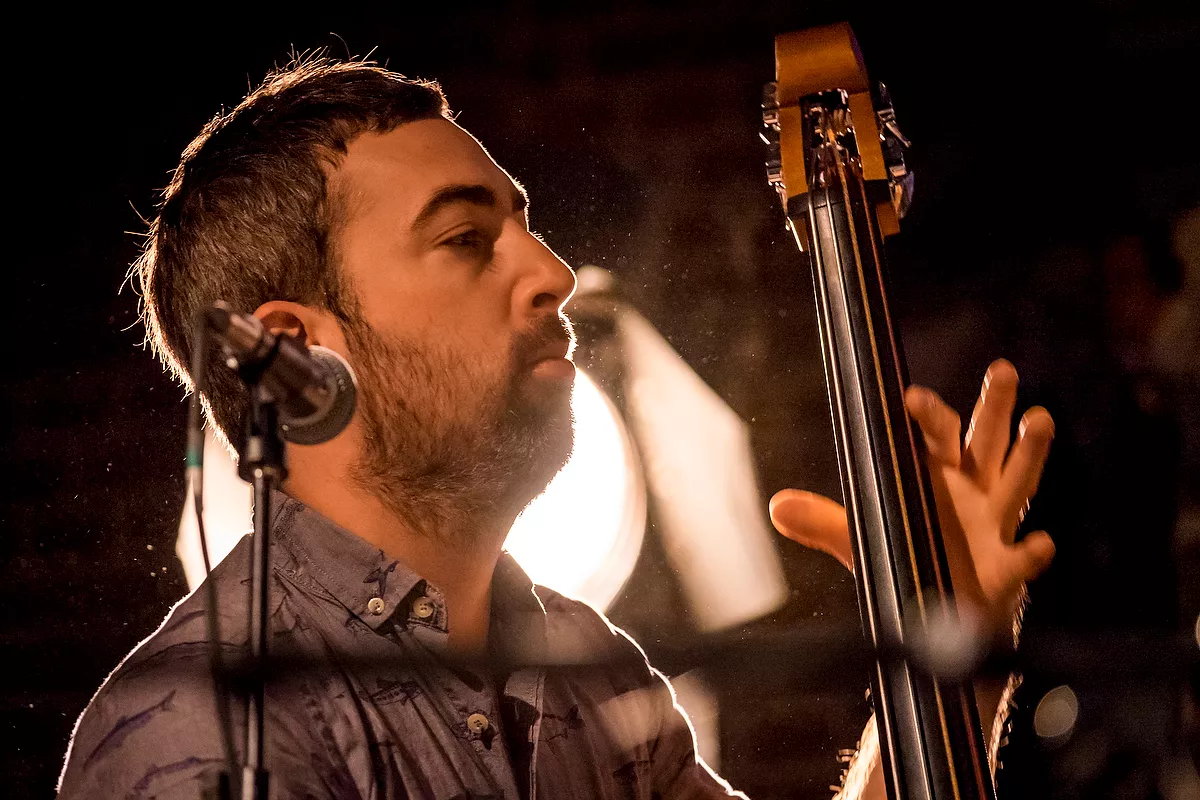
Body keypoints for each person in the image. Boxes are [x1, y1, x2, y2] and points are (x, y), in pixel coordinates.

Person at [56, 59, 1057, 800]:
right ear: (293, 354)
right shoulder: (201, 734)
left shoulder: (584, 661)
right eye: (465, 239)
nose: (552, 272)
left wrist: (953, 664)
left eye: (525, 225)